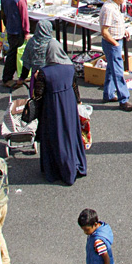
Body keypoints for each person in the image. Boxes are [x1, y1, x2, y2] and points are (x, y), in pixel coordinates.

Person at [32, 38, 88, 185]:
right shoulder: (70, 67)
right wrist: (78, 102)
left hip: (52, 108)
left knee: (55, 136)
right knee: (70, 134)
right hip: (69, 105)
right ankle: (75, 164)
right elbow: (75, 88)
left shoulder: (44, 72)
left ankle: (58, 169)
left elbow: (38, 95)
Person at [99, 0, 132, 111]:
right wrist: (115, 43)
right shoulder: (109, 9)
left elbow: (115, 24)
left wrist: (123, 31)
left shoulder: (114, 6)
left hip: (114, 42)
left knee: (111, 68)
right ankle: (124, 99)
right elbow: (104, 31)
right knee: (118, 71)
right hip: (112, 44)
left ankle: (108, 94)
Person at [0, 0, 30, 88]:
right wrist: (26, 32)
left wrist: (7, 25)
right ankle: (8, 78)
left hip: (10, 29)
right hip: (18, 31)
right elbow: (24, 16)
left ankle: (10, 77)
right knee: (15, 54)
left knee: (12, 53)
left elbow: (3, 14)